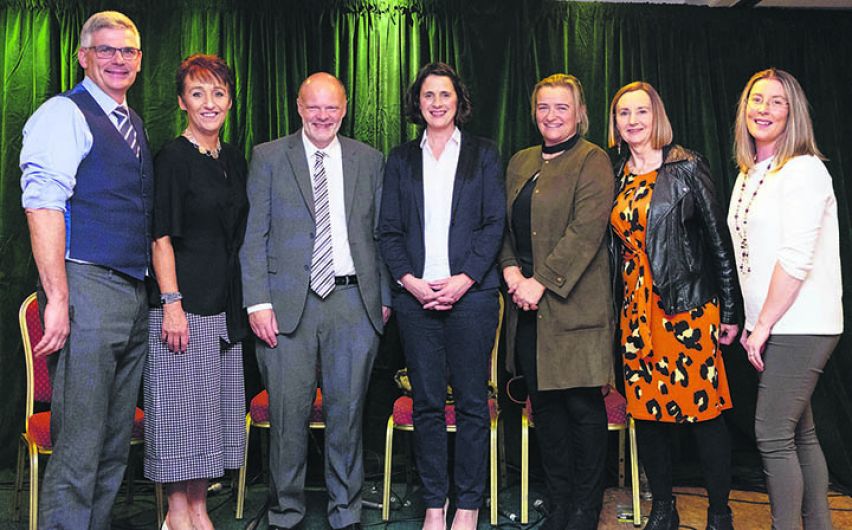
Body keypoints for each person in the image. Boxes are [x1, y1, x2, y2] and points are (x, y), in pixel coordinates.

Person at [19, 11, 152, 529]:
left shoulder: (132, 122)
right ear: (83, 56)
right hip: (88, 285)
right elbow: (43, 205)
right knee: (80, 443)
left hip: (131, 291)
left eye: (129, 51)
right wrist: (58, 297)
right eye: (106, 50)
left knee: (113, 443)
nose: (118, 59)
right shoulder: (63, 114)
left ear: (139, 61)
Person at [240, 71, 390, 530]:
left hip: (353, 303)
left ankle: (346, 513)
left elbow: (383, 234)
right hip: (287, 305)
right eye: (313, 106)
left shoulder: (370, 159)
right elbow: (254, 236)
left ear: (344, 109)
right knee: (287, 414)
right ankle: (286, 512)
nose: (322, 115)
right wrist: (256, 302)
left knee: (347, 413)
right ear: (299, 107)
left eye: (332, 107)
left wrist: (382, 298)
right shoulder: (268, 157)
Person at [607, 81, 740, 530]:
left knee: (704, 413)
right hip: (635, 312)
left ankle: (720, 512)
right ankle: (663, 508)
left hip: (685, 308)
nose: (633, 121)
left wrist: (730, 311)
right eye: (624, 113)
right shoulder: (615, 173)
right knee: (646, 414)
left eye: (641, 111)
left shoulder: (686, 167)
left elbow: (718, 242)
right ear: (616, 122)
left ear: (656, 115)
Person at [379, 62, 505, 530]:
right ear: (418, 103)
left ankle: (468, 505)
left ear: (459, 101)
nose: (436, 103)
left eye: (445, 95)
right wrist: (410, 282)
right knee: (427, 404)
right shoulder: (400, 159)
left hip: (470, 298)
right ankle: (436, 503)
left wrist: (463, 279)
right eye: (428, 95)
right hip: (415, 299)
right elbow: (388, 231)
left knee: (472, 402)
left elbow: (494, 224)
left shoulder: (484, 155)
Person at [729, 68, 842, 530]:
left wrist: (763, 326)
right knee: (800, 433)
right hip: (775, 323)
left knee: (772, 434)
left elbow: (794, 261)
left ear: (792, 113)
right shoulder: (750, 172)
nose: (764, 109)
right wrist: (752, 321)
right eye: (757, 99)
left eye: (777, 102)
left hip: (802, 323)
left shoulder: (805, 170)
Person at [500, 73, 614, 530]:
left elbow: (586, 231)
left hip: (574, 309)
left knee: (583, 411)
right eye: (544, 107)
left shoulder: (593, 160)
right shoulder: (520, 161)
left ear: (579, 112)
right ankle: (560, 504)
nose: (552, 116)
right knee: (545, 411)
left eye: (562, 107)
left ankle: (585, 510)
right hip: (526, 312)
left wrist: (539, 282)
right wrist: (510, 270)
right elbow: (502, 227)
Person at [143, 54, 248, 530]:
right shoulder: (172, 158)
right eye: (199, 93)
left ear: (230, 100)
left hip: (224, 308)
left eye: (219, 93)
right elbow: (160, 235)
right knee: (179, 417)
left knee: (211, 419)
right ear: (182, 100)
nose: (210, 103)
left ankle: (200, 508)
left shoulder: (232, 158)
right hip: (182, 309)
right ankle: (177, 514)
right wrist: (171, 304)